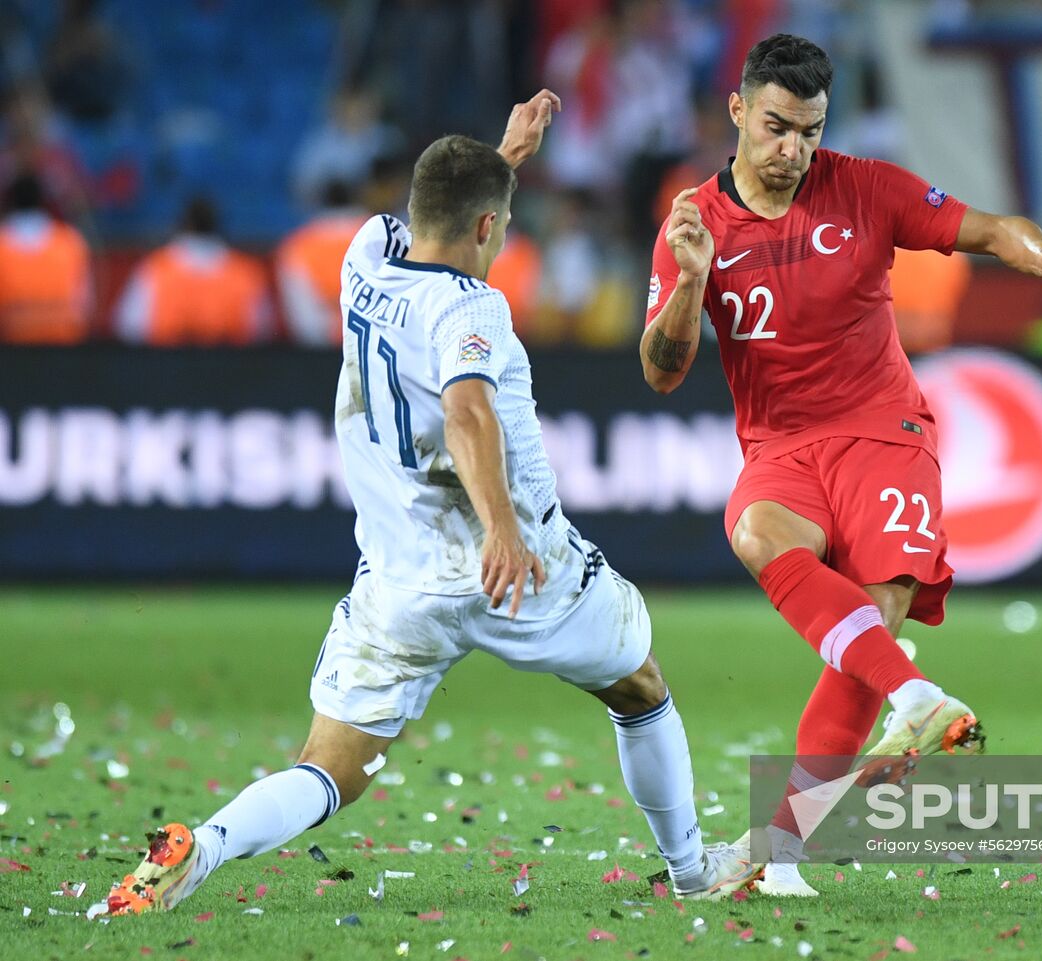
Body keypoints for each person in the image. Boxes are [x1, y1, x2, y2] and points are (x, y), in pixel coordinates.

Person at [105, 89, 757, 918]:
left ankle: (207, 847)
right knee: (639, 686)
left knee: (329, 767)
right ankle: (693, 867)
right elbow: (468, 410)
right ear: (489, 228)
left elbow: (444, 211)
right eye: (503, 221)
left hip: (400, 578)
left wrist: (505, 159)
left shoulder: (363, 255)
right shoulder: (471, 307)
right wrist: (503, 530)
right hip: (515, 565)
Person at [640, 34, 1042, 896]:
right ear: (738, 113)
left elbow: (983, 227)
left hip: (883, 429)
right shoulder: (692, 221)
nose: (793, 150)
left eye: (810, 131)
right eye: (777, 127)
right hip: (781, 446)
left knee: (870, 619)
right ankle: (916, 697)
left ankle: (782, 854)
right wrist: (688, 282)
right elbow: (663, 370)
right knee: (754, 528)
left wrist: (1038, 252)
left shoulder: (864, 187)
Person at [114, 198, 273, 346]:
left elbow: (129, 328)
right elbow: (262, 332)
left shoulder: (154, 269)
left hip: (166, 369)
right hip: (227, 370)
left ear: (183, 224)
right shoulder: (246, 274)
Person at [0, 170, 92, 344]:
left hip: (10, 356)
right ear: (43, 202)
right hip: (63, 352)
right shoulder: (70, 241)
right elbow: (85, 306)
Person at [276, 180, 366, 346]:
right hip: (374, 341)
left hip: (322, 348)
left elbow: (302, 314)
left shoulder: (298, 245)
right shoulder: (381, 235)